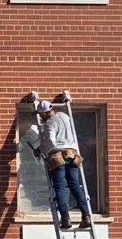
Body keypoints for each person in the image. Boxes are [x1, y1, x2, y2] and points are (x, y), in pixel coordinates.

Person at [32, 93, 93, 231]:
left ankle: (65, 219)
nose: (41, 117)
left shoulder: (50, 122)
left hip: (57, 157)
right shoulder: (65, 117)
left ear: (45, 113)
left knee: (60, 188)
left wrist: (40, 150)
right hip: (72, 154)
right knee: (75, 186)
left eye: (41, 115)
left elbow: (50, 141)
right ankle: (86, 216)